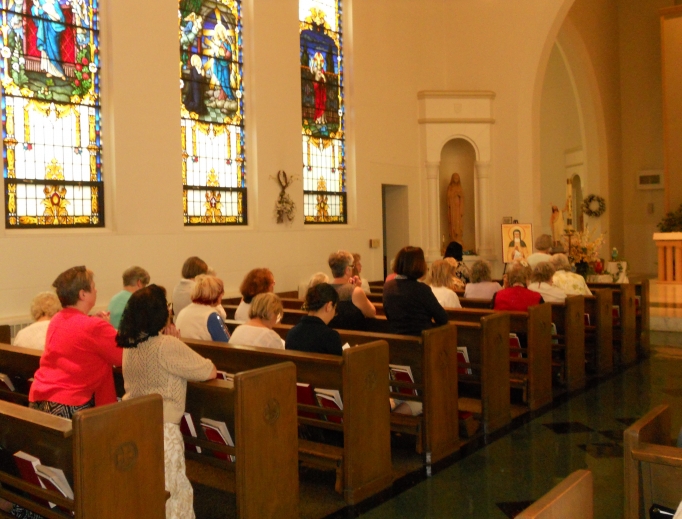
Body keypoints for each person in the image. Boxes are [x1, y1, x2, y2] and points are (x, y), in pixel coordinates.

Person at [117, 284, 216, 519]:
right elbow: (208, 370)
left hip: (132, 424)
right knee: (173, 494)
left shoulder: (130, 344)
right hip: (163, 433)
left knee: (148, 492)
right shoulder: (167, 345)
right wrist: (177, 343)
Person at [30, 266, 122, 412]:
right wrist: (106, 327)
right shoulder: (95, 326)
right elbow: (122, 356)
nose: (96, 290)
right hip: (71, 404)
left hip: (41, 398)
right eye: (93, 287)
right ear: (82, 294)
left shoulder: (57, 319)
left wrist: (98, 324)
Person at [383, 246, 449, 336]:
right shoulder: (421, 289)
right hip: (422, 342)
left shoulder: (388, 286)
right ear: (419, 265)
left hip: (397, 341)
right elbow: (442, 318)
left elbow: (388, 314)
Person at [286, 283, 343, 355]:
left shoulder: (291, 333)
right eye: (335, 308)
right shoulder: (331, 337)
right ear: (329, 306)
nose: (334, 314)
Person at [327, 250, 376, 330]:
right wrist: (358, 289)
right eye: (352, 267)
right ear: (347, 270)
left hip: (331, 336)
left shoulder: (325, 289)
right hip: (354, 337)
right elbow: (372, 312)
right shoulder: (355, 291)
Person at [175, 275, 230, 342]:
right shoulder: (212, 316)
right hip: (200, 352)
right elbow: (226, 342)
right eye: (221, 293)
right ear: (217, 295)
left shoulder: (183, 311)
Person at [447, 172, 464, 243]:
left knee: (458, 223)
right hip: (452, 209)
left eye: (457, 178)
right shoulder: (450, 187)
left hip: (458, 208)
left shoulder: (460, 187)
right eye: (455, 178)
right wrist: (453, 195)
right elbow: (448, 196)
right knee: (453, 223)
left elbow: (462, 197)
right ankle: (453, 237)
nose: (456, 179)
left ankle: (458, 237)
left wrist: (459, 194)